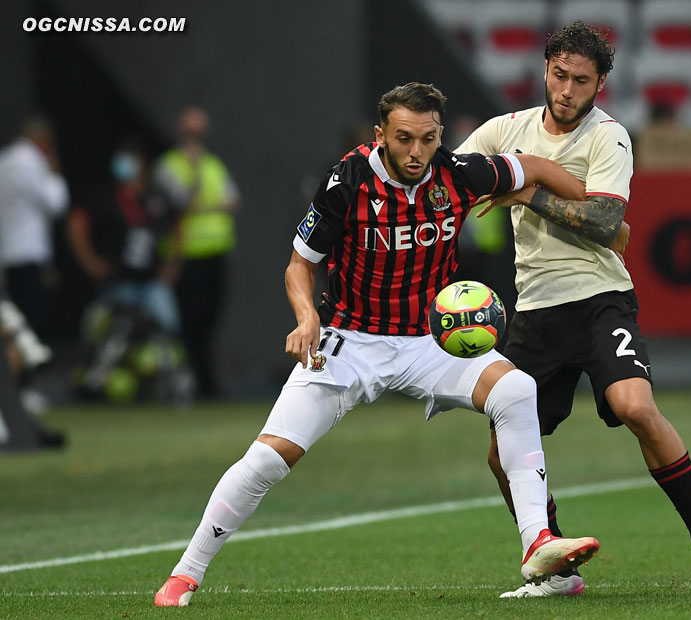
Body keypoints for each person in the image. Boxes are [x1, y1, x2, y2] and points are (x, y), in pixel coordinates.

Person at [154, 82, 601, 607]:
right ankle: (185, 573)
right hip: (350, 340)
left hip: (429, 341)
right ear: (381, 135)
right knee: (270, 459)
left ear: (440, 136)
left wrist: (601, 210)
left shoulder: (459, 173)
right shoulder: (347, 182)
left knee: (517, 390)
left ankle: (538, 546)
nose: (417, 152)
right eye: (405, 138)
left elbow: (539, 168)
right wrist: (305, 319)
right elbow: (300, 264)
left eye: (428, 139)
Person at [456, 22, 691, 597]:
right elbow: (450, 175)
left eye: (580, 80)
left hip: (598, 299)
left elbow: (607, 224)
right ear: (545, 71)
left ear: (601, 84)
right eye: (559, 75)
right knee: (500, 451)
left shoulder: (608, 137)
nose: (566, 90)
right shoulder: (506, 129)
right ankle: (556, 566)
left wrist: (527, 189)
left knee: (634, 404)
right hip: (535, 311)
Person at [153, 106, 239, 398]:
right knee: (191, 322)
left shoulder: (213, 164)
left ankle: (206, 383)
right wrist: (197, 185)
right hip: (185, 255)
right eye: (191, 133)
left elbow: (233, 200)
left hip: (216, 252)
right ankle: (199, 384)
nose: (195, 139)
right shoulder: (170, 166)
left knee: (210, 322)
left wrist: (201, 205)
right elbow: (180, 203)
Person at [68, 143, 181, 335]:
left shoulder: (154, 198)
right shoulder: (107, 198)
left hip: (151, 282)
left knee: (168, 326)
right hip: (117, 281)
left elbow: (178, 226)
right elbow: (76, 222)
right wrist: (90, 261)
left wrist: (173, 264)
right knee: (108, 332)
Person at [0, 116, 69, 340]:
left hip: (7, 250)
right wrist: (55, 172)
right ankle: (28, 367)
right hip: (28, 250)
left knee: (14, 313)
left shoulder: (6, 159)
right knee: (30, 315)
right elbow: (55, 203)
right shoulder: (31, 161)